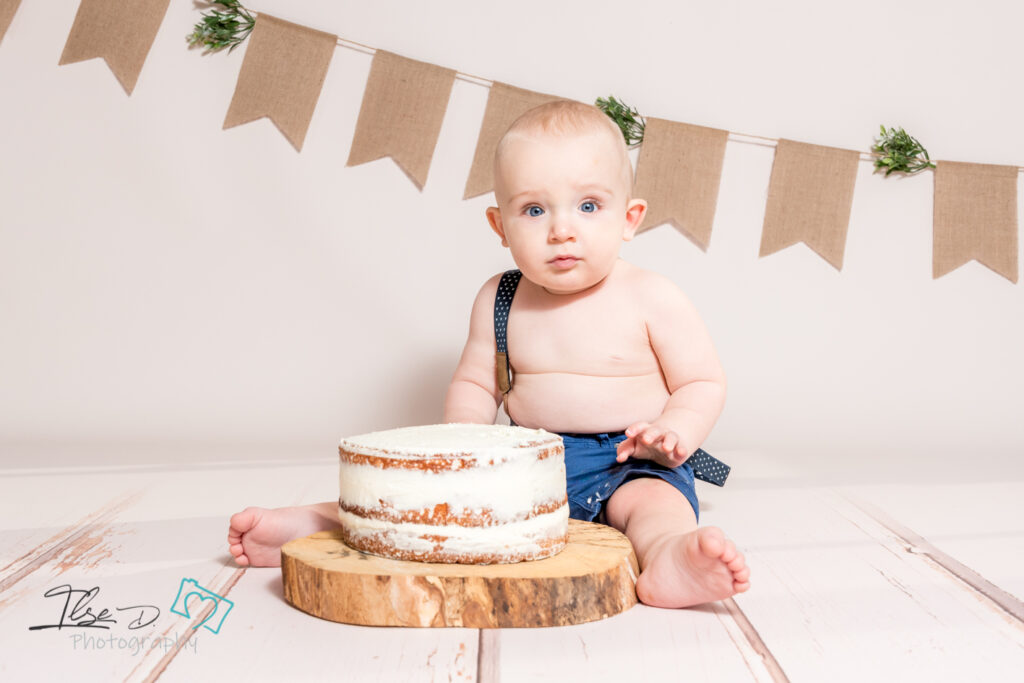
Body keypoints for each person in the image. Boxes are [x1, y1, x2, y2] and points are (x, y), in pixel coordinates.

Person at [228, 100, 749, 608]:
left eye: (588, 206)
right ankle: (320, 522)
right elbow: (478, 383)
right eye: (534, 209)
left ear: (629, 218)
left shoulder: (652, 296)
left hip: (633, 458)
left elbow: (703, 382)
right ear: (501, 227)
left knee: (653, 507)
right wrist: (466, 444)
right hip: (532, 456)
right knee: (429, 503)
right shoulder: (500, 297)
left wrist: (676, 429)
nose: (561, 229)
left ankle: (667, 558)